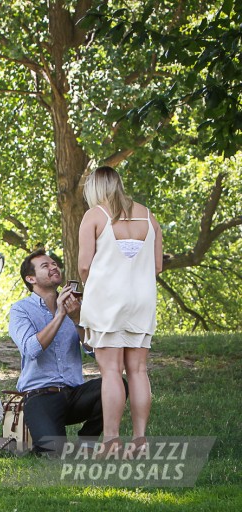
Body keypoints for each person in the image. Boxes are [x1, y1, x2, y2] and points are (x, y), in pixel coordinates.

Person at [78, 166, 163, 456]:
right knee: (138, 370)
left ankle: (111, 441)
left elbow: (85, 265)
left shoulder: (94, 215)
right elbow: (157, 266)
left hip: (108, 300)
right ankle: (140, 441)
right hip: (142, 300)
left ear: (95, 189)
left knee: (111, 370)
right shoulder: (148, 216)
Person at [8, 249, 109, 454]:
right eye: (45, 266)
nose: (54, 267)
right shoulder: (21, 310)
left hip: (74, 394)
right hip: (40, 396)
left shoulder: (76, 306)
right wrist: (60, 315)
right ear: (31, 278)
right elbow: (31, 349)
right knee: (53, 455)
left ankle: (86, 444)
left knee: (114, 386)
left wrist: (76, 319)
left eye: (54, 264)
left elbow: (94, 351)